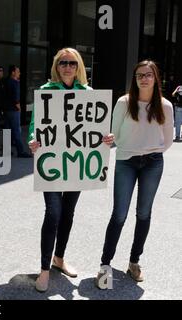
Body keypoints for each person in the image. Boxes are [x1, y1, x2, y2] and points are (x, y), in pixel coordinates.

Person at [28, 48, 114, 292]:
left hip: (77, 166)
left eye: (72, 63)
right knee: (53, 213)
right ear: (56, 66)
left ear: (79, 68)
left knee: (68, 214)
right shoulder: (45, 92)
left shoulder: (87, 94)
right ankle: (45, 269)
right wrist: (33, 139)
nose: (67, 67)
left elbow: (96, 129)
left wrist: (106, 138)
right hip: (53, 165)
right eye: (63, 63)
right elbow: (36, 124)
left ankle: (60, 259)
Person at [95, 60, 173, 288]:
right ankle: (105, 265)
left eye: (148, 75)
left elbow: (167, 140)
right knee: (119, 214)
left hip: (153, 163)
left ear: (155, 78)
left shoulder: (165, 106)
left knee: (144, 214)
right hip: (126, 161)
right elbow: (114, 133)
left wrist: (151, 150)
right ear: (135, 79)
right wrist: (111, 140)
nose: (144, 79)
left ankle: (134, 261)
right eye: (139, 75)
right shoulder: (124, 102)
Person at [4, 65, 31, 158]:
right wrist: (19, 107)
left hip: (6, 109)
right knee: (16, 131)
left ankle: (6, 151)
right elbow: (16, 98)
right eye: (18, 71)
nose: (19, 73)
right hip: (13, 110)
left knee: (7, 130)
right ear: (13, 72)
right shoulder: (15, 82)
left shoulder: (7, 81)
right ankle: (21, 151)